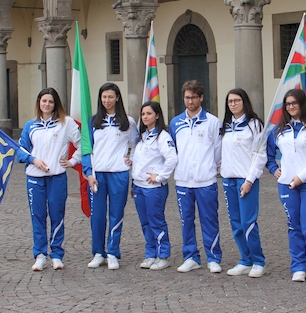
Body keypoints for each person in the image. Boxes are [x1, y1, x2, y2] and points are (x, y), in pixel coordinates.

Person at [266, 89, 306, 283]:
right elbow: (268, 154)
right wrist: (273, 168)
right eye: (288, 104)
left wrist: (302, 176)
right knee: (294, 226)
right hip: (287, 186)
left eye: (295, 103)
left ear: (303, 104)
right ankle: (299, 266)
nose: (291, 107)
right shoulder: (279, 130)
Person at [17, 88, 81, 272]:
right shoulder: (31, 126)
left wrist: (72, 161)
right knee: (37, 216)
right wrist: (33, 160)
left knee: (57, 214)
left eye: (50, 101)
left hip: (57, 177)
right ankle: (40, 255)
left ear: (56, 104)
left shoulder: (66, 123)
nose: (47, 104)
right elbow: (21, 151)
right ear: (39, 103)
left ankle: (56, 254)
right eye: (44, 101)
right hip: (34, 178)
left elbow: (82, 144)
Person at [82, 83, 138, 270]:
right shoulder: (92, 122)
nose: (107, 100)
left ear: (117, 98)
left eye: (110, 97)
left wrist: (130, 158)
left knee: (116, 214)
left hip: (119, 174)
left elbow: (137, 145)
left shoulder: (128, 122)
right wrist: (88, 173)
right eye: (104, 97)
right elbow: (86, 150)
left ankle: (113, 251)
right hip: (98, 176)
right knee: (97, 215)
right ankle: (98, 252)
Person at [170, 80, 223, 273]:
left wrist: (210, 168)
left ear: (201, 97)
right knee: (186, 220)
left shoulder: (212, 122)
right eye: (187, 97)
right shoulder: (176, 123)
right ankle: (191, 256)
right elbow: (173, 150)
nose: (190, 100)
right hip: (183, 180)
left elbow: (218, 151)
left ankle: (213, 257)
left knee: (209, 219)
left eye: (193, 97)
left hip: (205, 180)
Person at [220, 88, 267, 278]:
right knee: (235, 222)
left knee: (248, 222)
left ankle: (258, 260)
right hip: (228, 179)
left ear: (244, 101)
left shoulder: (254, 125)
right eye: (230, 101)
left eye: (236, 100)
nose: (233, 104)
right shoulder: (225, 126)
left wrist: (249, 180)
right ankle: (245, 259)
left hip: (246, 180)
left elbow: (260, 155)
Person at [131, 101, 177, 270]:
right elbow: (137, 158)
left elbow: (172, 158)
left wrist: (160, 176)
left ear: (157, 115)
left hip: (154, 188)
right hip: (139, 186)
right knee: (145, 222)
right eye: (143, 114)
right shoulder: (141, 137)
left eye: (149, 113)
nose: (145, 117)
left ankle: (163, 254)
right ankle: (150, 253)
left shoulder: (162, 137)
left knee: (156, 221)